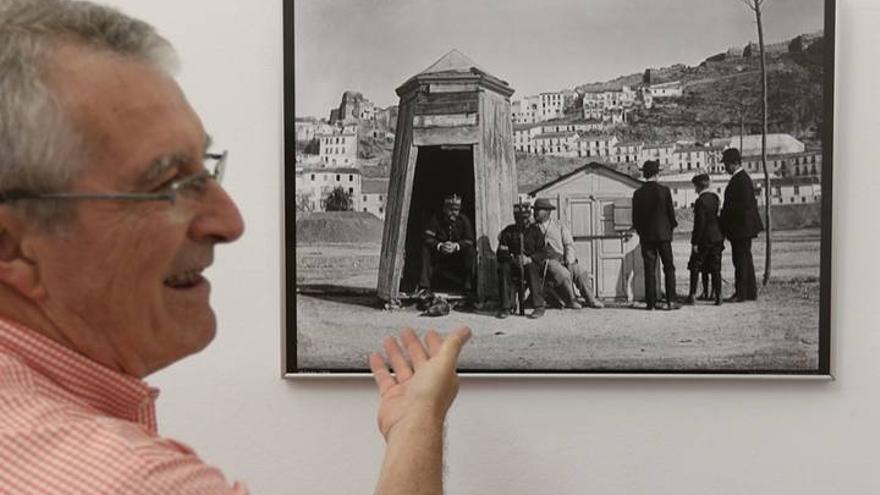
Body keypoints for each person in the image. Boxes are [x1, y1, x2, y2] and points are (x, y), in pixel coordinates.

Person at [0, 2, 470, 494]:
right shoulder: (134, 482)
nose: (230, 222)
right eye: (166, 183)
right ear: (12, 245)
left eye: (204, 168)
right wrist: (420, 422)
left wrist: (412, 420)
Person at [530, 198, 604, 310]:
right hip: (546, 261)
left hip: (562, 258)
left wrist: (569, 261)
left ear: (548, 212)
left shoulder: (559, 226)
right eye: (535, 210)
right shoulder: (532, 228)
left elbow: (569, 244)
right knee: (562, 273)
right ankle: (571, 300)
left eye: (539, 210)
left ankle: (591, 299)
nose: (535, 212)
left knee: (580, 271)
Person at [632, 160, 680, 310]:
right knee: (669, 267)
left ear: (644, 174)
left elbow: (636, 219)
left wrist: (642, 232)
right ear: (657, 173)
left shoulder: (638, 193)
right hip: (664, 235)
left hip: (647, 237)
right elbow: (671, 215)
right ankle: (671, 301)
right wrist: (670, 228)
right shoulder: (664, 191)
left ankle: (651, 303)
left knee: (649, 269)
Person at [718, 148, 764, 302]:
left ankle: (741, 293)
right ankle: (750, 292)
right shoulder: (742, 178)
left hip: (741, 227)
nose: (725, 167)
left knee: (740, 260)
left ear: (734, 163)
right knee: (746, 259)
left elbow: (740, 206)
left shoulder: (740, 180)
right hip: (743, 226)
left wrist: (724, 220)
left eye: (726, 164)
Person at [419, 193, 476, 296]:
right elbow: (427, 238)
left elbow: (469, 240)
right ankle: (424, 287)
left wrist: (456, 246)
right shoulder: (436, 218)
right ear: (444, 209)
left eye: (456, 210)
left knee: (471, 251)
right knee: (425, 249)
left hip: (457, 256)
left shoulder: (463, 220)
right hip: (439, 255)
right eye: (450, 210)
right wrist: (440, 245)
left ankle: (468, 288)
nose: (452, 213)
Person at [495, 202, 546, 319]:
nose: (523, 221)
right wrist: (513, 258)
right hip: (513, 264)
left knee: (531, 268)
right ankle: (505, 307)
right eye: (519, 218)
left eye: (525, 218)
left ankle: (539, 306)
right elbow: (501, 253)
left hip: (530, 265)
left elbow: (543, 252)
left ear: (529, 217)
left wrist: (529, 259)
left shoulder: (536, 231)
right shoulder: (508, 231)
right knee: (503, 268)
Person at [683, 173, 724, 306]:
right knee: (716, 267)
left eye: (695, 186)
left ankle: (692, 295)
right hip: (717, 237)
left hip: (704, 239)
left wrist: (695, 242)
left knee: (695, 266)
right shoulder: (715, 198)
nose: (694, 189)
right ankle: (718, 296)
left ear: (698, 186)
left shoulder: (700, 201)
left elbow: (699, 223)